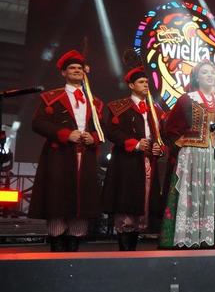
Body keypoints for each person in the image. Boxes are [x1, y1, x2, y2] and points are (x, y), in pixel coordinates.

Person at [29, 50, 104, 252]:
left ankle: (73, 259)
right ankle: (56, 258)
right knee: (57, 204)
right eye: (72, 68)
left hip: (85, 157)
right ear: (64, 72)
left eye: (80, 68)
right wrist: (64, 134)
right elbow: (37, 123)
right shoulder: (52, 97)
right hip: (59, 157)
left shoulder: (95, 102)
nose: (77, 70)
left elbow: (102, 130)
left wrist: (94, 138)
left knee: (81, 210)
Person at [159, 60, 215, 248]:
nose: (210, 76)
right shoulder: (187, 99)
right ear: (196, 77)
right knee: (193, 194)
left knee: (214, 193)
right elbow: (171, 128)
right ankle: (190, 237)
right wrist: (181, 143)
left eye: (212, 73)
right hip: (193, 155)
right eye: (204, 73)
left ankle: (213, 235)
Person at [102, 66, 165, 250]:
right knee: (127, 204)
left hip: (148, 164)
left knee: (143, 206)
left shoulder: (155, 110)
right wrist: (135, 144)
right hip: (127, 162)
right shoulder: (119, 107)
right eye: (141, 82)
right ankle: (125, 253)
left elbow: (162, 137)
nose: (145, 85)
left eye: (146, 82)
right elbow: (112, 131)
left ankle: (133, 252)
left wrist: (158, 148)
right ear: (131, 85)